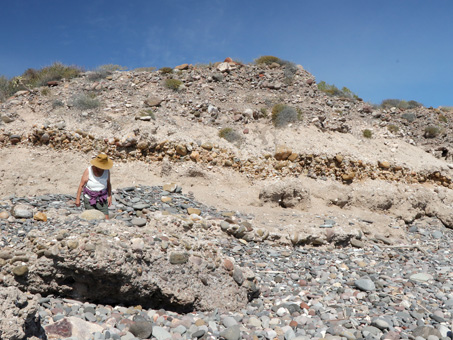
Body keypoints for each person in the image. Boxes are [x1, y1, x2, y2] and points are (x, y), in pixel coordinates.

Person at [76, 153, 113, 219]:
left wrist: (110, 196)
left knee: (106, 219)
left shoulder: (107, 171)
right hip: (90, 198)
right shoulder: (88, 170)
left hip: (102, 198)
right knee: (91, 219)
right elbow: (81, 185)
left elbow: (108, 184)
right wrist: (77, 199)